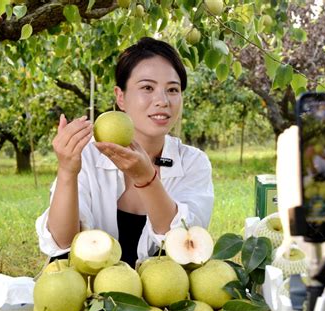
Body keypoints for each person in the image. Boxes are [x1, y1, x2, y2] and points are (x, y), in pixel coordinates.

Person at [36, 37, 214, 267]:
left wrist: (146, 179)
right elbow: (62, 243)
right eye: (147, 88)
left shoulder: (193, 163)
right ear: (121, 97)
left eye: (172, 89)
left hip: (162, 299)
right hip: (87, 293)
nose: (162, 101)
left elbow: (188, 242)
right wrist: (67, 171)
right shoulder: (87, 155)